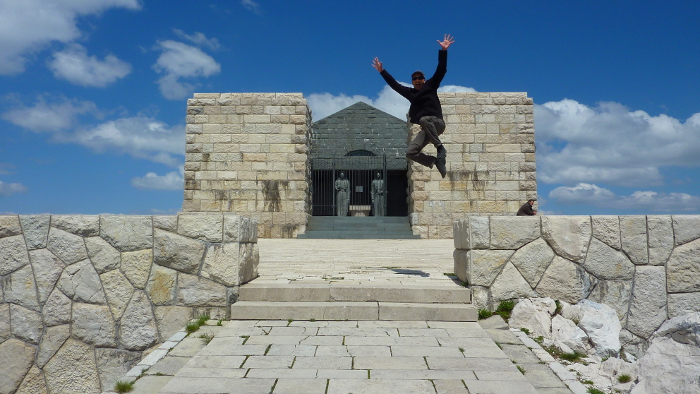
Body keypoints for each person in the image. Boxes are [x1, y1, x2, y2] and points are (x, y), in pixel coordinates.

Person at [372, 34, 455, 178]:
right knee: (410, 152)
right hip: (428, 129)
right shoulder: (410, 93)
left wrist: (444, 51)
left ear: (424, 80)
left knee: (424, 120)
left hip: (437, 123)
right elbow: (395, 85)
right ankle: (436, 161)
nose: (417, 80)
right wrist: (382, 71)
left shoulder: (431, 85)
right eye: (414, 79)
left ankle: (440, 149)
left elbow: (441, 69)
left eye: (420, 78)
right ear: (412, 81)